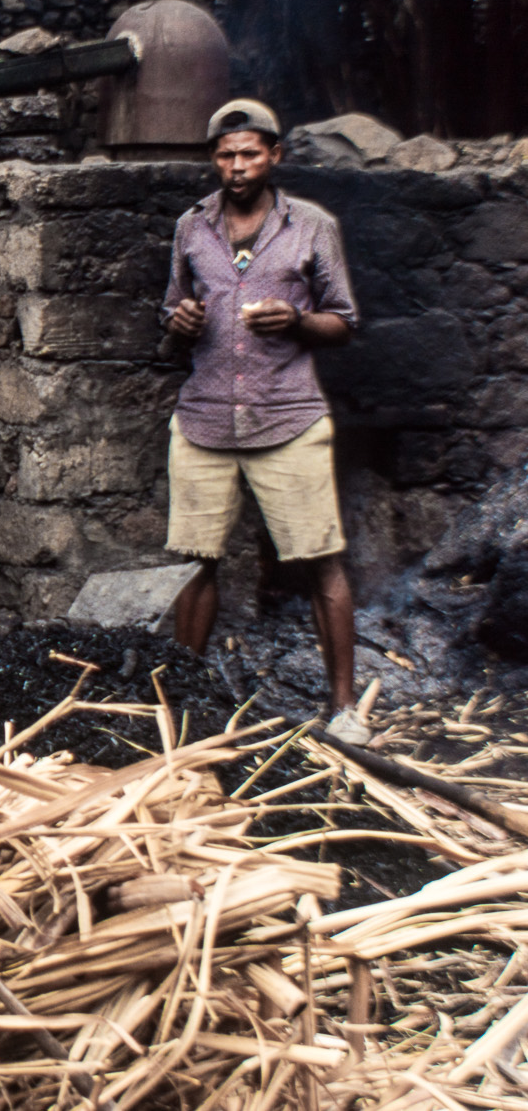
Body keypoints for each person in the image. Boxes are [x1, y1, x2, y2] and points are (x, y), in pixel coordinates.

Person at [161, 99, 366, 744]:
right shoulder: (191, 228)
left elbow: (345, 321)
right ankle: (187, 707)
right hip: (204, 419)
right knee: (195, 562)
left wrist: (298, 321)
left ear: (275, 156)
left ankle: (343, 709)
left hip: (289, 415)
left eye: (250, 153)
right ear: (213, 161)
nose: (237, 166)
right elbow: (171, 315)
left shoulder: (310, 226)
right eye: (225, 155)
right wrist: (181, 322)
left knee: (321, 561)